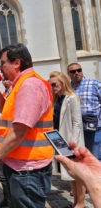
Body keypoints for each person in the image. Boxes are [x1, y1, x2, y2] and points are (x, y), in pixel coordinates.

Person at [0, 43, 54, 208]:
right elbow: (8, 113)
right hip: (20, 164)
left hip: (28, 168)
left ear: (16, 63)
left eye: (3, 63)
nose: (0, 67)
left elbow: (19, 130)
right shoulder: (20, 84)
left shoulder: (29, 85)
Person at [49, 71, 85, 208]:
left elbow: (77, 123)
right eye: (50, 85)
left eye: (54, 84)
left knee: (77, 174)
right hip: (60, 140)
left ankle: (80, 204)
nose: (52, 87)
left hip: (71, 141)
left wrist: (73, 143)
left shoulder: (72, 98)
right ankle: (75, 202)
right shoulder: (56, 99)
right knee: (69, 173)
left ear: (63, 83)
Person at [67, 63, 101, 161]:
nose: (77, 73)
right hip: (75, 129)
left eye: (79, 70)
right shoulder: (68, 88)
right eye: (73, 71)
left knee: (95, 158)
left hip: (93, 129)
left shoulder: (95, 84)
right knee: (78, 157)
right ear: (68, 73)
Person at [55, 142, 101, 207]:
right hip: (67, 143)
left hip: (75, 143)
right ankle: (76, 202)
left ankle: (80, 203)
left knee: (78, 176)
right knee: (71, 175)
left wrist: (94, 184)